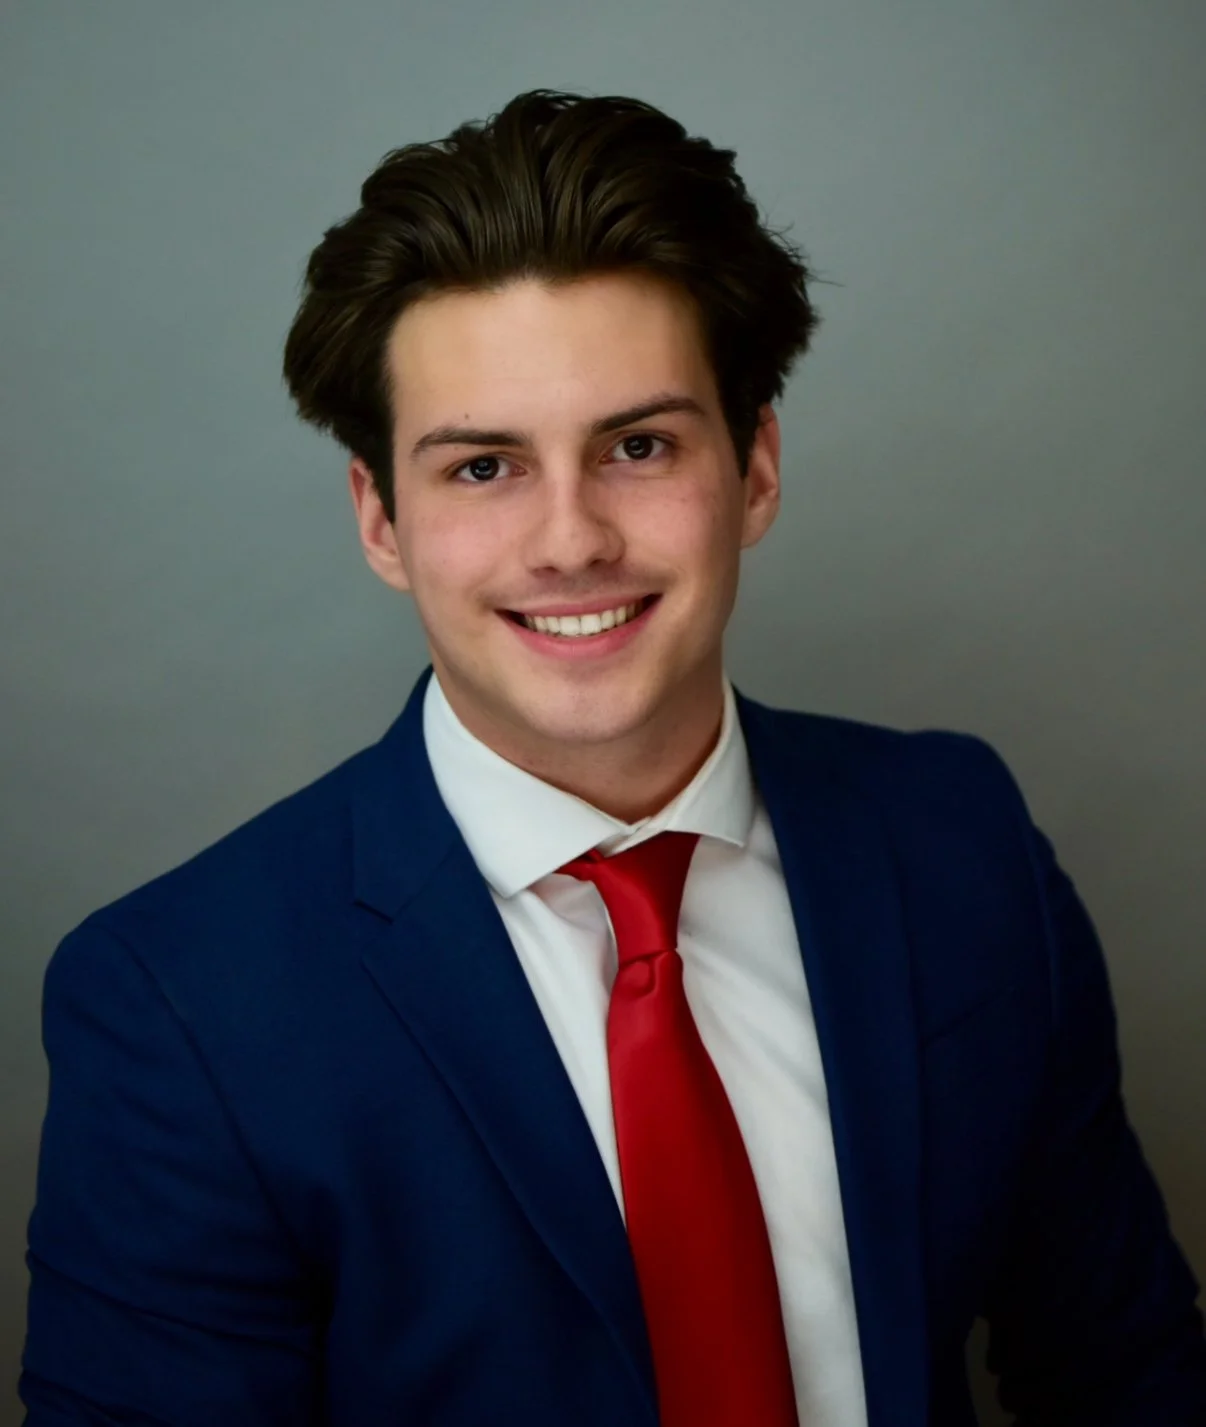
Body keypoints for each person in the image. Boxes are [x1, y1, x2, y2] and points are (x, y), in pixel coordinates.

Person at [19, 87, 1206, 1427]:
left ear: (754, 465)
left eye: (637, 446)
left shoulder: (959, 843)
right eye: (482, 468)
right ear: (380, 518)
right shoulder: (177, 1005)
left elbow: (1123, 1376)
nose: (571, 539)